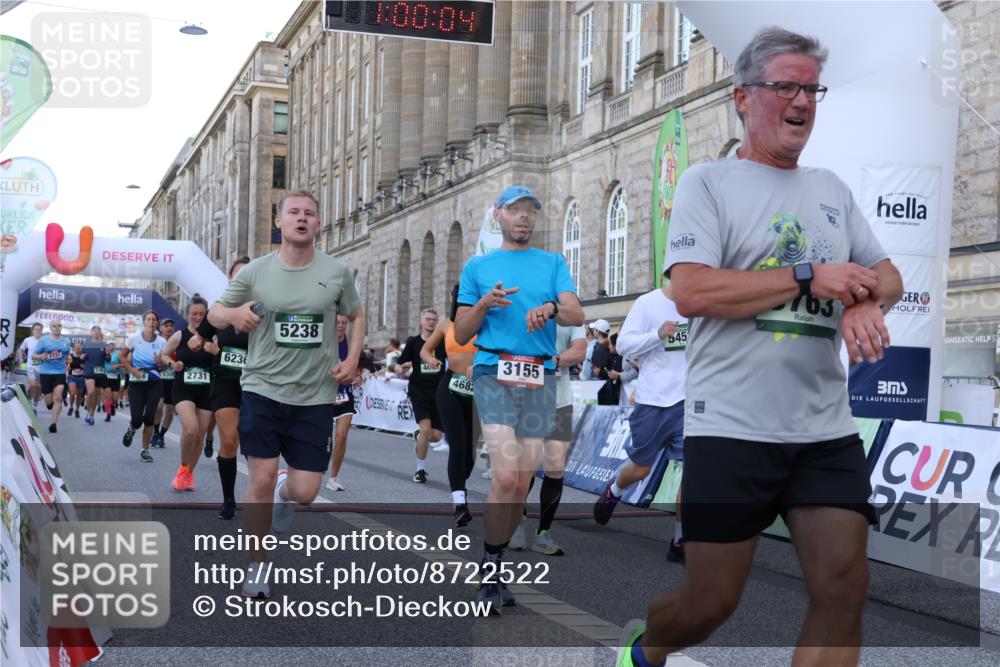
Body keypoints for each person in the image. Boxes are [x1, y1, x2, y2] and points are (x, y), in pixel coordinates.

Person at [617, 27, 904, 667]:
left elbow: (888, 275)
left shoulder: (830, 188)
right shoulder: (707, 183)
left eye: (811, 89)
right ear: (744, 98)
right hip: (730, 430)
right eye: (785, 87)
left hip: (824, 432)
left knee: (844, 586)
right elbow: (690, 291)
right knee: (710, 603)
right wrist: (806, 276)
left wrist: (860, 297)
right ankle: (645, 648)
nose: (801, 101)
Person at [207, 190, 364, 599]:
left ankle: (285, 491)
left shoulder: (337, 272)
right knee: (257, 479)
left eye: (309, 213)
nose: (301, 218)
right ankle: (258, 568)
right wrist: (235, 314)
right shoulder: (256, 271)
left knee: (307, 492)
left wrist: (353, 361)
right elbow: (214, 313)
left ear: (318, 224)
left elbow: (357, 315)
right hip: (261, 388)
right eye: (293, 212)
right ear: (278, 222)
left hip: (315, 396)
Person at [454, 184, 584, 614]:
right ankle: (489, 571)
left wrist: (549, 308)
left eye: (530, 210)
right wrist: (485, 304)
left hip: (540, 376)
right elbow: (460, 333)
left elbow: (576, 313)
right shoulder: (478, 266)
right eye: (515, 210)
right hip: (494, 372)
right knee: (506, 479)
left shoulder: (552, 263)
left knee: (523, 485)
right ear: (498, 216)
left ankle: (496, 561)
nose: (524, 217)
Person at [594, 280, 688, 563]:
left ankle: (680, 539)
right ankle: (615, 489)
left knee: (694, 471)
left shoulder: (700, 304)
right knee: (641, 469)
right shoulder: (648, 303)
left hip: (691, 401)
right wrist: (658, 335)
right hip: (653, 401)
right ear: (669, 274)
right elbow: (622, 345)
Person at [509, 323, 588, 555]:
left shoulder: (571, 314)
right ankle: (516, 523)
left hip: (560, 402)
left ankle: (543, 533)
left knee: (555, 468)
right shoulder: (524, 304)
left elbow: (580, 351)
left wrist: (553, 360)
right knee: (526, 469)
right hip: (527, 402)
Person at [420, 285, 478, 527]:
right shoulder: (445, 325)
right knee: (457, 444)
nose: (460, 302)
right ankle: (459, 504)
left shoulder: (483, 323)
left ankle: (458, 485)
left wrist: (483, 366)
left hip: (476, 391)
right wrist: (431, 359)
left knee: (470, 456)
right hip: (450, 386)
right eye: (457, 298)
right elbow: (424, 349)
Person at [208, 256, 251, 518]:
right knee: (229, 439)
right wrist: (200, 345)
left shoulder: (263, 308)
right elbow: (196, 333)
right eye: (239, 274)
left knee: (254, 444)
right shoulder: (219, 309)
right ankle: (228, 499)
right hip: (224, 381)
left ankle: (259, 496)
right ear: (231, 279)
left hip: (256, 383)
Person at [161, 297, 216, 491]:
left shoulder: (213, 336)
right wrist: (172, 363)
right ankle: (183, 469)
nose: (198, 317)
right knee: (191, 429)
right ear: (188, 314)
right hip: (183, 387)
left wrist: (216, 351)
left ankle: (188, 475)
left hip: (206, 390)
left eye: (202, 314)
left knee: (200, 435)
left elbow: (221, 357)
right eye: (194, 313)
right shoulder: (179, 336)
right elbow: (164, 354)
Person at [393, 309, 446, 482]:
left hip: (438, 391)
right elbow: (398, 365)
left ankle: (419, 437)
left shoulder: (443, 343)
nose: (431, 322)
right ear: (421, 322)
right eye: (428, 319)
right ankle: (420, 470)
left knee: (436, 436)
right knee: (425, 429)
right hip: (419, 390)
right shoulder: (414, 343)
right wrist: (402, 369)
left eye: (434, 319)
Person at [121, 311, 167, 462]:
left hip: (154, 382)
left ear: (157, 323)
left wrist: (161, 362)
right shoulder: (134, 339)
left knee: (149, 418)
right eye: (148, 319)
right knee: (137, 419)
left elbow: (165, 367)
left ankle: (144, 451)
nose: (151, 322)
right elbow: (122, 356)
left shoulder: (162, 342)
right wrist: (132, 370)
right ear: (144, 322)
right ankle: (131, 428)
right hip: (137, 382)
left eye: (154, 319)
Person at [326, 314, 362, 492]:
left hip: (345, 396)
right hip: (324, 395)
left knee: (341, 437)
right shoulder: (324, 343)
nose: (340, 326)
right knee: (323, 438)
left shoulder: (352, 346)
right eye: (337, 322)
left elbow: (363, 368)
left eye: (344, 323)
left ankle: (333, 477)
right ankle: (314, 468)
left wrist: (359, 377)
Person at [31, 321, 71, 433]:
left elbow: (67, 355)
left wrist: (69, 359)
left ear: (61, 328)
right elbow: (34, 355)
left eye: (59, 326)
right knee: (49, 402)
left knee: (58, 397)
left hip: (60, 373)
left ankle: (53, 424)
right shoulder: (44, 340)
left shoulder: (66, 341)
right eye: (54, 326)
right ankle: (54, 406)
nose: (57, 328)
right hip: (45, 373)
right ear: (51, 328)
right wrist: (40, 356)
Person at [151, 318, 177, 448]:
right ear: (160, 328)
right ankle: (155, 432)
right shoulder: (156, 343)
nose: (169, 328)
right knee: (158, 407)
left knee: (170, 411)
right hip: (158, 379)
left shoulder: (178, 342)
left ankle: (161, 435)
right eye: (166, 325)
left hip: (173, 381)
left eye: (171, 325)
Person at [81, 326, 107, 426]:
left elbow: (107, 359)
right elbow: (81, 357)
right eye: (94, 331)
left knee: (96, 395)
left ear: (100, 333)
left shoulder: (104, 345)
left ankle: (92, 414)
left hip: (99, 372)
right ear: (91, 332)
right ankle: (88, 412)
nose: (96, 332)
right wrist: (82, 357)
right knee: (91, 392)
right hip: (88, 371)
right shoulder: (86, 344)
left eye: (98, 331)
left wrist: (108, 355)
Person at [18, 322, 44, 408]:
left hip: (42, 367)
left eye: (39, 329)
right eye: (36, 329)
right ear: (32, 330)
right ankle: (29, 401)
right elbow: (21, 349)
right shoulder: (27, 340)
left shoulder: (45, 341)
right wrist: (21, 359)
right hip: (30, 366)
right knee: (33, 385)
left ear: (42, 331)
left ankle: (35, 405)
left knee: (39, 388)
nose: (38, 331)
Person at [595, 332, 624, 406]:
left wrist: (601, 372)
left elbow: (614, 373)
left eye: (610, 344)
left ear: (615, 345)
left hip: (619, 396)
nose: (609, 346)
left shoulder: (622, 358)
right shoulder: (613, 357)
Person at [65, 341, 87, 418]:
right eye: (76, 347)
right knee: (73, 393)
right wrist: (67, 375)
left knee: (79, 395)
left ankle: (77, 409)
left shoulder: (83, 357)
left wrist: (83, 367)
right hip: (72, 377)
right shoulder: (70, 357)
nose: (78, 348)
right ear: (73, 348)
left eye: (79, 347)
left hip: (81, 378)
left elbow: (87, 367)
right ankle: (71, 407)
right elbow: (66, 367)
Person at [102, 341, 121, 422]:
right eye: (110, 345)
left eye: (113, 344)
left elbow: (125, 363)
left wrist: (118, 365)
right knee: (108, 396)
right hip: (106, 376)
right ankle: (108, 414)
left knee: (115, 398)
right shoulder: (103, 353)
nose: (111, 346)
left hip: (116, 377)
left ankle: (112, 406)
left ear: (115, 345)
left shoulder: (119, 354)